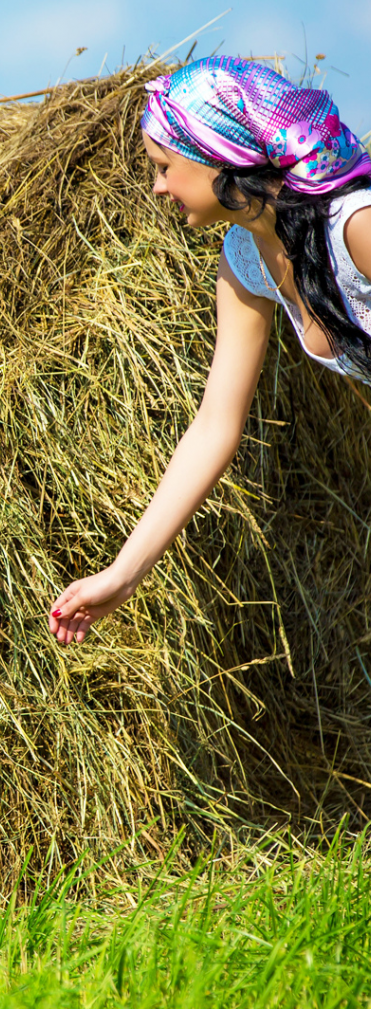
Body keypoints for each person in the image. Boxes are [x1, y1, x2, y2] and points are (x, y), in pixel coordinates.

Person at [48, 56, 371, 645]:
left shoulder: (357, 227)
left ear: (214, 152)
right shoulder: (245, 261)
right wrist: (123, 576)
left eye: (165, 166)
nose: (157, 186)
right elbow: (215, 426)